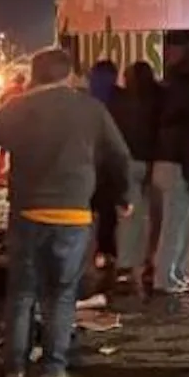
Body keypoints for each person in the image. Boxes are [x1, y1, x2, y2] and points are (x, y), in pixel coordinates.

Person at [0, 47, 134, 377]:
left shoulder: (19, 107)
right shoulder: (91, 109)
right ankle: (54, 369)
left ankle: (15, 369)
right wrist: (123, 196)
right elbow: (120, 155)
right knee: (61, 295)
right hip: (73, 216)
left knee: (22, 294)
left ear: (34, 75)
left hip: (27, 213)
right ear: (69, 74)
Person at [152, 57, 189, 294]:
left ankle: (177, 273)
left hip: (162, 166)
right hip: (177, 169)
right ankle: (165, 278)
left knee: (178, 224)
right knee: (175, 226)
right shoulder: (187, 112)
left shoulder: (164, 104)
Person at [112, 61, 163, 288]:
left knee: (128, 215)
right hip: (154, 161)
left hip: (128, 163)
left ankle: (125, 264)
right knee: (155, 215)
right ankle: (150, 260)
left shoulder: (118, 101)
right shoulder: (158, 99)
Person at [86, 60, 125, 270]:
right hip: (108, 161)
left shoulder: (85, 100)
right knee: (108, 209)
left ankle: (89, 252)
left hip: (87, 160)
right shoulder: (120, 98)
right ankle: (105, 250)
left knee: (89, 207)